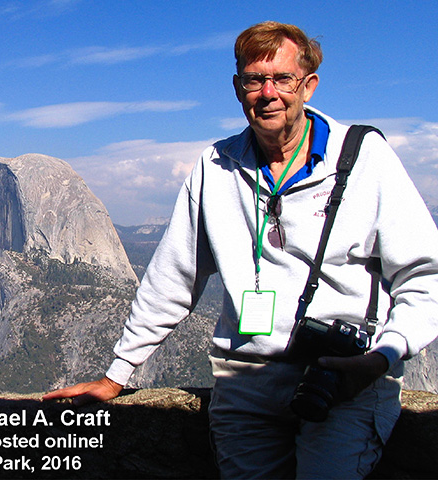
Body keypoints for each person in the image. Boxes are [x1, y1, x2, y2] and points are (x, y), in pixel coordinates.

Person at [43, 21, 438, 479]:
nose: (267, 92)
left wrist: (380, 358)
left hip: (342, 385)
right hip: (245, 387)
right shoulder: (216, 166)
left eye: (282, 79)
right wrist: (117, 374)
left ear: (307, 86)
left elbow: (425, 277)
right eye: (254, 79)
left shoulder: (363, 159)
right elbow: (172, 279)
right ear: (237, 88)